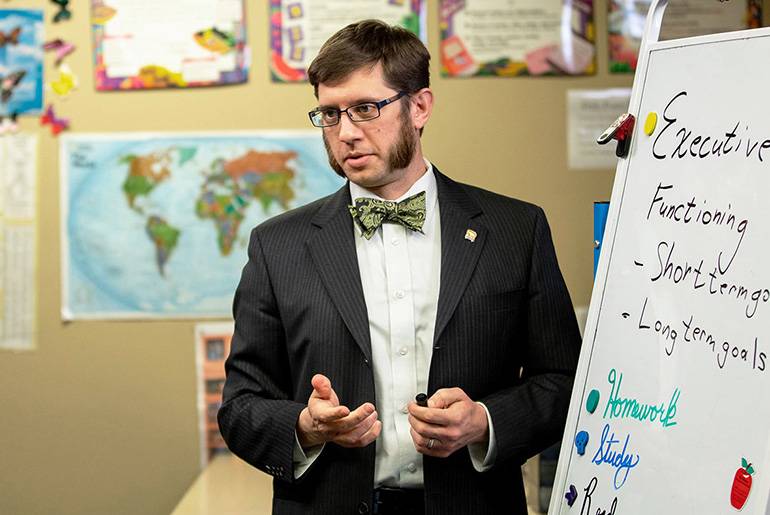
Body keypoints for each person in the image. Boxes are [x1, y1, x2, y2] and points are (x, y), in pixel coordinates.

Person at [218, 19, 581, 515]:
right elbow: (240, 407)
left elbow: (564, 382)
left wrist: (485, 422)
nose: (345, 133)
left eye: (365, 109)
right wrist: (305, 426)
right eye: (329, 114)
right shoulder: (277, 246)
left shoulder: (515, 230)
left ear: (420, 106)